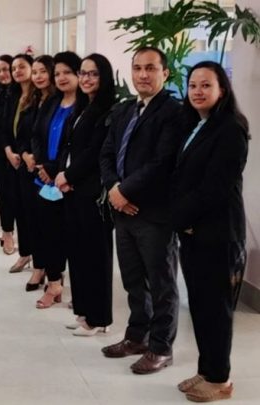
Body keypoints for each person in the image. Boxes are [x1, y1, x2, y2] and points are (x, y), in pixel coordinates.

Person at [98, 46, 182, 375]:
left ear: (165, 73)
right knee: (133, 280)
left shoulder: (172, 112)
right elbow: (107, 153)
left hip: (154, 213)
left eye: (150, 68)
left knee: (161, 283)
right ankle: (137, 336)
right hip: (123, 210)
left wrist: (124, 191)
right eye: (137, 68)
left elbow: (162, 163)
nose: (143, 75)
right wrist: (113, 189)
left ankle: (161, 347)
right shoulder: (125, 110)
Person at [170, 61, 249, 402]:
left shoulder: (230, 129)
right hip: (194, 232)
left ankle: (220, 380)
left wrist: (179, 217)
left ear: (222, 90)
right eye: (193, 85)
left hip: (218, 234)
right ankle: (207, 370)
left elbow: (214, 188)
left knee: (216, 311)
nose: (198, 92)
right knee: (201, 307)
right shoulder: (197, 125)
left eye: (206, 85)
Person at [56, 53, 115, 336]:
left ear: (104, 77)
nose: (87, 79)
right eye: (83, 73)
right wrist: (63, 175)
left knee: (95, 256)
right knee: (77, 253)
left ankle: (98, 318)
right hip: (73, 190)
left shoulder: (107, 110)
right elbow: (69, 146)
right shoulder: (82, 107)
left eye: (93, 74)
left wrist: (68, 176)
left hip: (91, 193)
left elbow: (95, 152)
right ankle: (83, 311)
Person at [31, 51, 84, 309]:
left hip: (70, 182)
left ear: (78, 74)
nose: (61, 78)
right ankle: (54, 284)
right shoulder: (51, 102)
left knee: (72, 238)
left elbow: (74, 146)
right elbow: (37, 135)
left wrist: (56, 170)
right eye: (58, 73)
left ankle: (80, 290)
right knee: (49, 235)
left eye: (67, 73)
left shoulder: (84, 106)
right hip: (45, 181)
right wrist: (42, 165)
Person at [20, 55, 56, 290]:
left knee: (49, 226)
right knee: (33, 221)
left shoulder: (57, 101)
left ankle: (53, 272)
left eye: (43, 71)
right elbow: (24, 134)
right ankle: (39, 266)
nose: (38, 76)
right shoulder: (32, 100)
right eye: (35, 72)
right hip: (29, 170)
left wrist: (42, 163)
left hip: (49, 172)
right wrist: (25, 153)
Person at [0, 54, 38, 275]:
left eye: (22, 66)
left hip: (31, 162)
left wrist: (24, 154)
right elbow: (5, 129)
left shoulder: (38, 96)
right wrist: (8, 151)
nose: (17, 71)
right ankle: (25, 253)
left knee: (34, 214)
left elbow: (36, 132)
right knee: (19, 210)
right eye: (14, 68)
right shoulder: (13, 95)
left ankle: (42, 261)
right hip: (13, 162)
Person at [0, 54, 19, 255]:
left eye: (5, 69)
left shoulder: (23, 92)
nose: (2, 74)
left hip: (22, 151)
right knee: (5, 195)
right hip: (1, 151)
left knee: (20, 196)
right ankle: (7, 232)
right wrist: (7, 150)